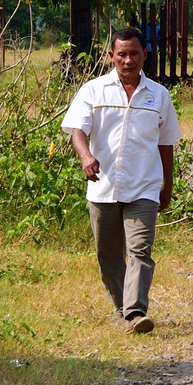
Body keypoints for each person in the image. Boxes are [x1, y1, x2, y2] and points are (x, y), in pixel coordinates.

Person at [61, 27, 182, 335]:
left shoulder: (159, 95)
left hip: (144, 185)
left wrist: (167, 185)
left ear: (145, 55)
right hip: (103, 185)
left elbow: (165, 144)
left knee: (140, 250)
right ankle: (121, 309)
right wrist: (86, 157)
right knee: (109, 254)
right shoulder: (94, 90)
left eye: (135, 54)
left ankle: (136, 311)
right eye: (122, 54)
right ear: (111, 56)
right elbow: (76, 128)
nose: (129, 60)